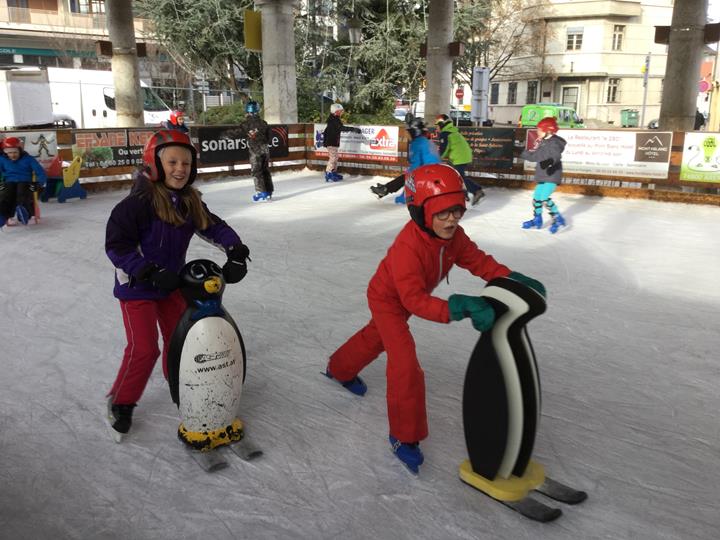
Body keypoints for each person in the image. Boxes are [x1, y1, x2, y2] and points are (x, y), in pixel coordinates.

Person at [324, 164, 545, 473]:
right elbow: (414, 300)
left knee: (375, 338)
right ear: (420, 213)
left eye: (457, 210)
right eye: (442, 213)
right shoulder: (407, 248)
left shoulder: (454, 236)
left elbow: (478, 261)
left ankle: (338, 367)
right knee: (404, 362)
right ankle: (404, 436)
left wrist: (510, 277)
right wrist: (459, 307)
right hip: (387, 299)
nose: (452, 219)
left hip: (410, 295)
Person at [104, 129, 250, 442]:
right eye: (172, 161)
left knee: (181, 343)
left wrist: (236, 251)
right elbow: (117, 248)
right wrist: (147, 271)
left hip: (170, 286)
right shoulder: (136, 205)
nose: (179, 168)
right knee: (144, 349)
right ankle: (121, 401)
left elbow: (215, 227)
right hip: (137, 288)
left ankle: (182, 387)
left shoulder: (188, 203)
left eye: (185, 162)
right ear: (154, 163)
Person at [369, 118, 441, 204]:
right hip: (435, 174)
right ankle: (387, 188)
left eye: (410, 131)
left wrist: (403, 196)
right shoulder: (427, 141)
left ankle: (387, 189)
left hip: (427, 175)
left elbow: (414, 169)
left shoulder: (417, 143)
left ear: (415, 131)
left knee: (407, 175)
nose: (409, 134)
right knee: (407, 175)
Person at [520, 116, 567, 234]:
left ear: (548, 131)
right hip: (542, 174)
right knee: (537, 198)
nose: (537, 132)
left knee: (544, 198)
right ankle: (537, 219)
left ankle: (557, 218)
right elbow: (535, 156)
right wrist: (522, 152)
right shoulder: (543, 142)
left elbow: (556, 155)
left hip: (552, 175)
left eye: (539, 130)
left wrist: (550, 161)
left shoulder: (555, 143)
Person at [435, 114, 485, 205]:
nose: (436, 128)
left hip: (460, 157)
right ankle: (464, 194)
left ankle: (477, 190)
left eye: (437, 126)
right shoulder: (452, 131)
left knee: (459, 178)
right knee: (458, 177)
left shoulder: (445, 134)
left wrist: (437, 158)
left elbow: (444, 149)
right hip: (463, 156)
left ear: (442, 125)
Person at [0, 136, 47, 227]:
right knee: (6, 194)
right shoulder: (2, 159)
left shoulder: (28, 159)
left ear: (20, 150)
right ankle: (5, 216)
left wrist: (38, 183)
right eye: (9, 153)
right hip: (9, 181)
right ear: (5, 152)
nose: (12, 155)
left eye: (15, 152)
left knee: (22, 193)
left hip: (25, 181)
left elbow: (40, 172)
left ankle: (26, 214)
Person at [237, 100, 274, 202]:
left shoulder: (245, 124)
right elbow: (270, 137)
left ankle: (261, 192)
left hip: (255, 150)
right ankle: (269, 191)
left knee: (257, 171)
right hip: (265, 149)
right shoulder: (264, 123)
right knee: (265, 170)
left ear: (247, 111)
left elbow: (239, 133)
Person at [323, 103, 362, 182]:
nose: (341, 113)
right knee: (333, 158)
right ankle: (328, 173)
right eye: (340, 111)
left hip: (333, 141)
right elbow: (341, 128)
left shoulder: (334, 118)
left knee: (335, 158)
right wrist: (352, 129)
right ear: (335, 111)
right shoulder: (333, 119)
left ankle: (333, 172)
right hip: (331, 142)